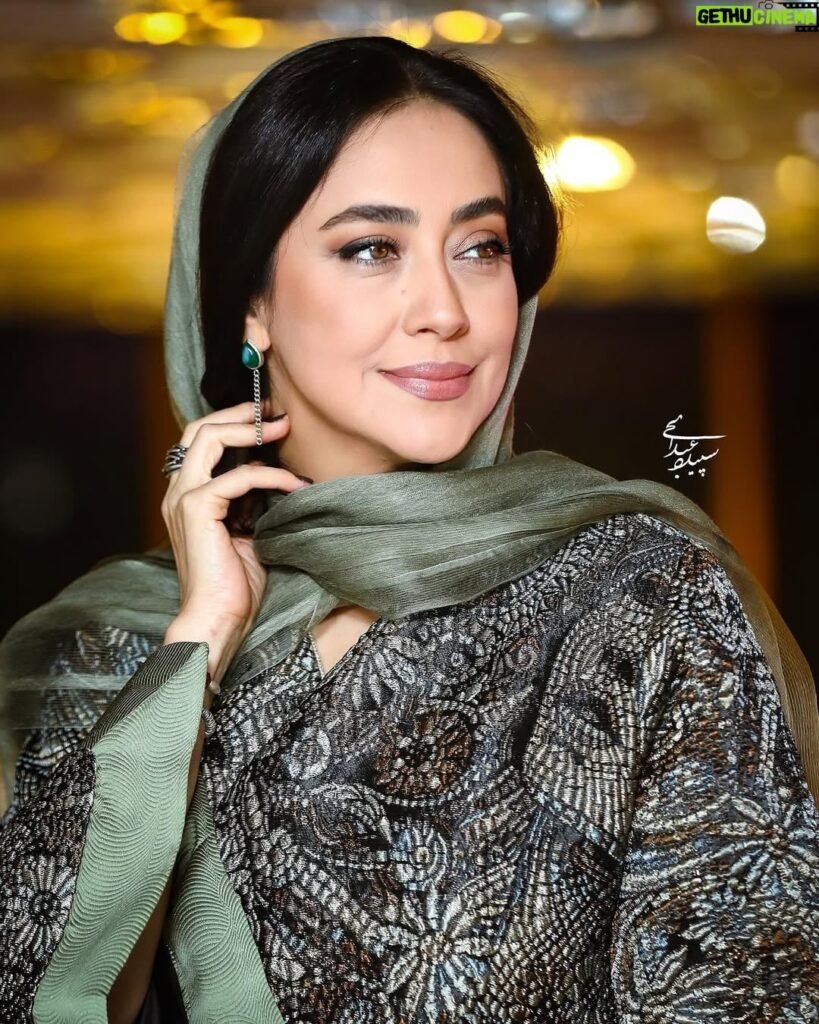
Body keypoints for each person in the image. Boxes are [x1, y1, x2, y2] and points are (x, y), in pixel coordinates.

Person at [0, 34, 818, 1024]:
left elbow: (743, 991)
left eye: (480, 248)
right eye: (371, 248)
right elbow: (50, 992)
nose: (446, 309)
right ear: (250, 301)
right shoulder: (114, 645)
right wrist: (202, 640)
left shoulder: (642, 597)